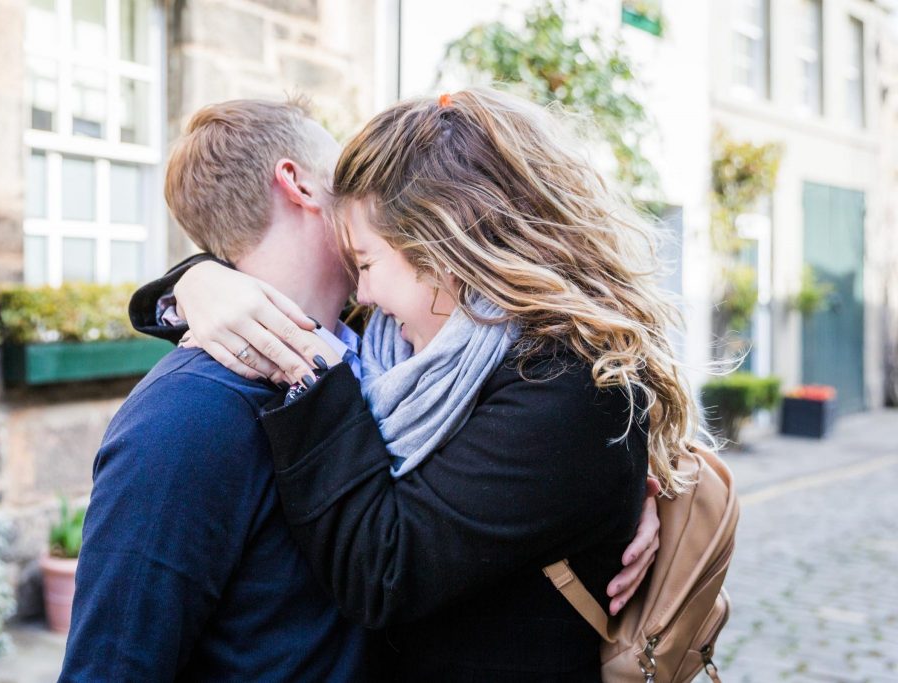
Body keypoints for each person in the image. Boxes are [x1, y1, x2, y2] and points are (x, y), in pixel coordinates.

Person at [62, 96, 658, 681]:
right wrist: (195, 281)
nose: (359, 198)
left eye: (372, 259)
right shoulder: (190, 412)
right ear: (298, 185)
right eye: (339, 173)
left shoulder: (407, 352)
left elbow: (394, 557)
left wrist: (636, 486)